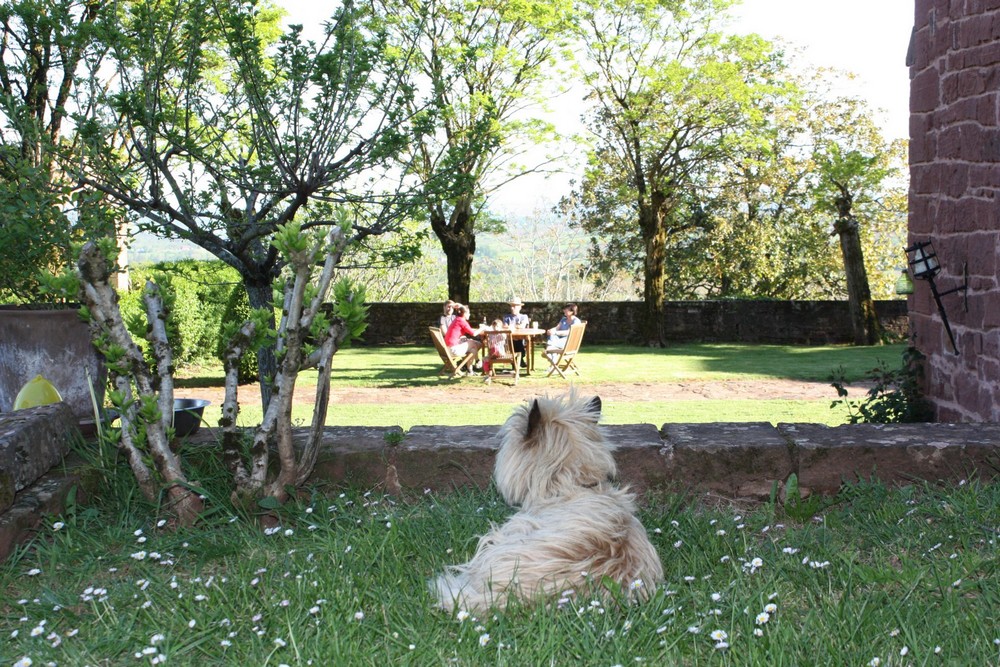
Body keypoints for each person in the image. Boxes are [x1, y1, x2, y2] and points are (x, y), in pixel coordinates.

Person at [444, 304, 484, 369]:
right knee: (472, 343)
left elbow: (470, 330)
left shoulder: (458, 319)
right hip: (453, 350)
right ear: (464, 313)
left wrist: (479, 330)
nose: (469, 314)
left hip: (448, 349)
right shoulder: (461, 321)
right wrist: (482, 328)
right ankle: (477, 361)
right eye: (469, 313)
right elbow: (473, 333)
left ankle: (468, 369)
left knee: (477, 346)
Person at [501, 297, 530, 367]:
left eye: (515, 306)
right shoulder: (506, 317)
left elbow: (522, 326)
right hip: (509, 339)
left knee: (518, 341)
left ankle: (516, 361)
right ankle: (518, 360)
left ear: (520, 307)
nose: (512, 308)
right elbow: (504, 326)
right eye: (511, 306)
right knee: (511, 341)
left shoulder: (524, 316)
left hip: (520, 338)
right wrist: (516, 326)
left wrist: (511, 326)